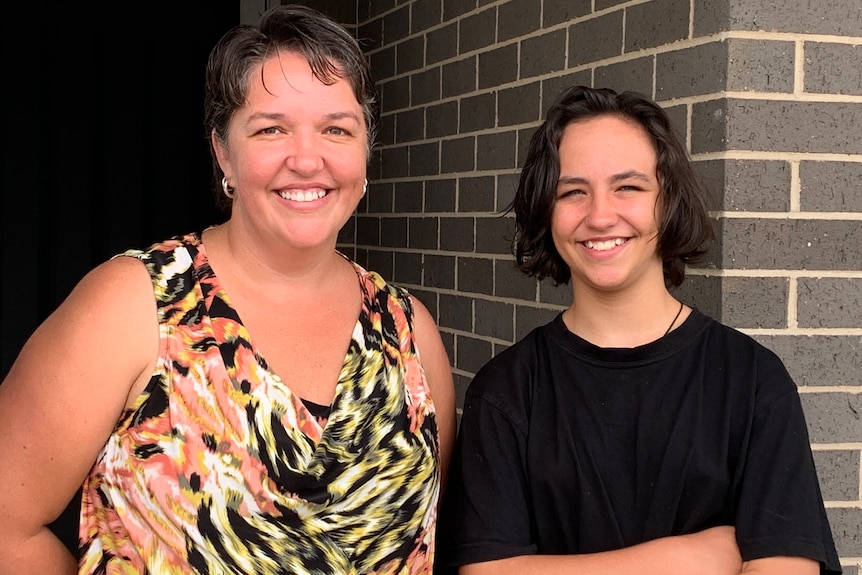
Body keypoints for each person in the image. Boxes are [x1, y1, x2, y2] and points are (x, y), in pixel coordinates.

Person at [0, 5, 455, 574]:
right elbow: (6, 524)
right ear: (223, 152)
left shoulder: (409, 333)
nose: (307, 159)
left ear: (365, 155)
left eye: (336, 129)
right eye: (271, 128)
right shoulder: (134, 305)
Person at [441, 86, 841, 574]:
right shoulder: (506, 392)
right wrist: (695, 558)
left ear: (668, 200)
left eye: (628, 187)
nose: (600, 216)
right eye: (573, 192)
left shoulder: (752, 381)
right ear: (547, 211)